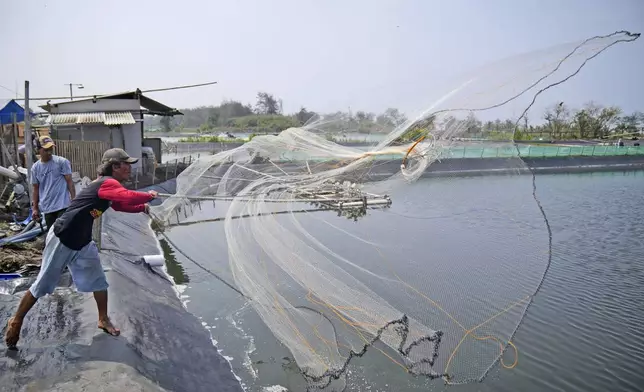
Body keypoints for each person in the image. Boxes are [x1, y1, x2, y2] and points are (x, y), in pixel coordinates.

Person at [4, 148, 158, 349]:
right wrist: (148, 196)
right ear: (114, 166)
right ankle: (16, 320)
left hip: (83, 240)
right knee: (42, 284)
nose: (130, 167)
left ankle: (103, 319)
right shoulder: (107, 183)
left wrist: (142, 207)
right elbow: (127, 197)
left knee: (98, 280)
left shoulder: (109, 186)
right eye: (126, 164)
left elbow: (120, 205)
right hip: (64, 237)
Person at [30, 136, 76, 230]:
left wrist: (74, 200)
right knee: (52, 234)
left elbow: (70, 182)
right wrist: (35, 208)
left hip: (62, 205)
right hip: (47, 207)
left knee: (64, 232)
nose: (49, 152)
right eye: (46, 149)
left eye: (51, 149)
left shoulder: (61, 162)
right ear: (38, 150)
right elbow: (36, 189)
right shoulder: (35, 168)